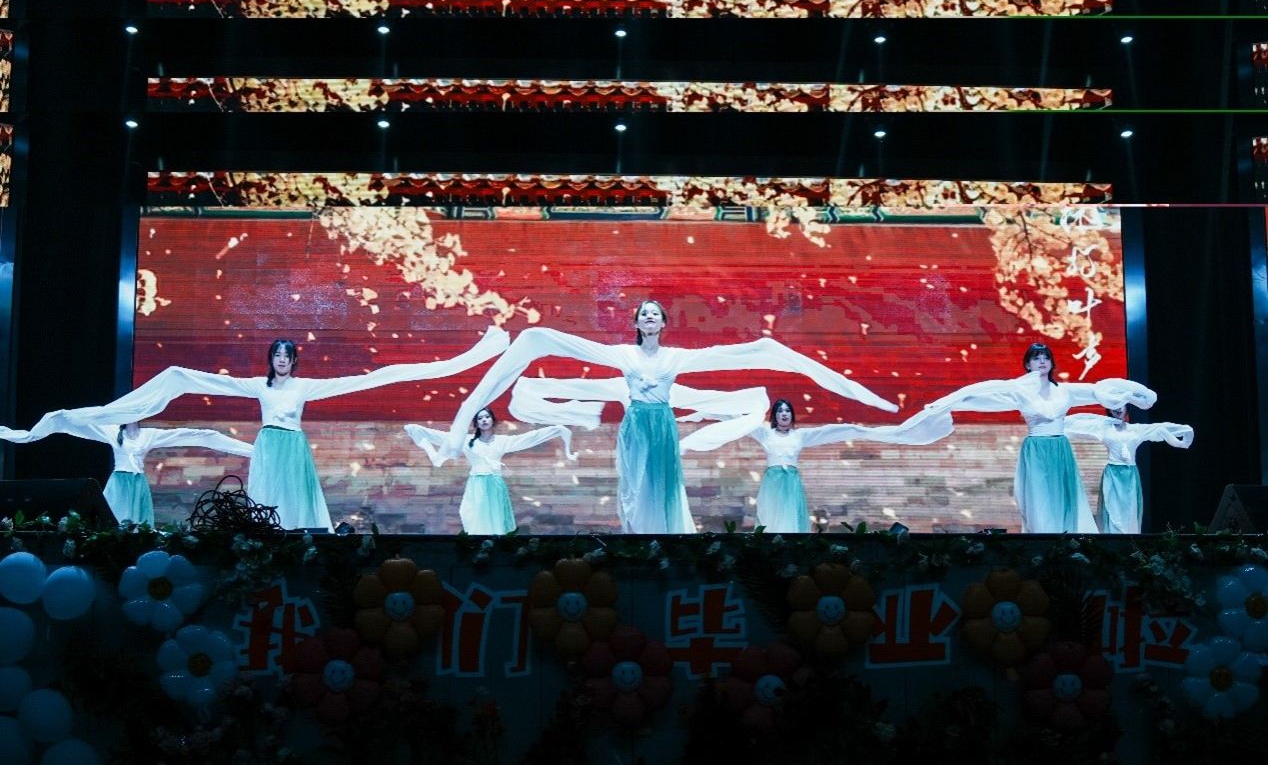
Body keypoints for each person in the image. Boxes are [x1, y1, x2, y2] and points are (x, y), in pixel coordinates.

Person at [439, 301, 899, 534]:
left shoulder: (676, 357)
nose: (650, 319)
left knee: (663, 483)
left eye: (655, 314)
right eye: (644, 314)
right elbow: (554, 341)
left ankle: (666, 536)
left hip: (662, 424)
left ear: (663, 323)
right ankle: (636, 535)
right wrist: (465, 415)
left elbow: (730, 353)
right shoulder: (622, 353)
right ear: (637, 323)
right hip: (636, 425)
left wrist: (769, 350)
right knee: (633, 484)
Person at [8, 327, 508, 530]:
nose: (283, 361)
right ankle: (268, 532)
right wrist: (178, 376)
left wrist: (444, 364)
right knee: (266, 495)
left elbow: (368, 378)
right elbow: (207, 382)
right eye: (278, 355)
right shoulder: (258, 386)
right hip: (270, 444)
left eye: (288, 356)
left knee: (296, 494)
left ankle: (302, 531)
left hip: (293, 445)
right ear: (271, 360)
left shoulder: (305, 386)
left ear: (295, 360)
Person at [925, 342, 1156, 533]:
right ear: (1028, 364)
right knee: (1039, 500)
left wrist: (1137, 396)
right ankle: (1042, 541)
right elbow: (986, 396)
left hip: (1060, 448)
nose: (1042, 361)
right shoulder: (1020, 390)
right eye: (1036, 358)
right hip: (1036, 449)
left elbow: (1098, 391)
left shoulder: (1064, 391)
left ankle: (1069, 541)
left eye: (1046, 357)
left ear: (1052, 363)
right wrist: (950, 403)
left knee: (1065, 497)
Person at [676, 397, 954, 533]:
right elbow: (735, 419)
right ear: (774, 416)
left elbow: (835, 431)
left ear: (792, 416)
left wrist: (857, 428)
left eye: (787, 411)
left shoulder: (801, 436)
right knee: (770, 518)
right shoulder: (764, 432)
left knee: (791, 519)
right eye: (780, 411)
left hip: (791, 482)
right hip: (773, 481)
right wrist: (704, 410)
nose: (784, 415)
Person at [0, 416, 254, 526]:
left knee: (138, 523)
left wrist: (212, 436)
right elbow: (75, 425)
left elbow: (189, 435)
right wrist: (59, 419)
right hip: (120, 483)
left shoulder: (149, 435)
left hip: (137, 483)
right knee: (115, 520)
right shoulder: (112, 431)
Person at [404, 406, 574, 534]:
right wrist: (417, 430)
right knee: (473, 516)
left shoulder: (502, 441)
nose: (484, 420)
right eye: (480, 418)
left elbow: (528, 438)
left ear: (492, 420)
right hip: (476, 483)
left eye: (487, 417)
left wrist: (555, 430)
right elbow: (441, 437)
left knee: (496, 518)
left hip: (494, 483)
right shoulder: (467, 440)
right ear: (476, 423)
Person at [1064, 406, 1193, 533]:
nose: (1118, 409)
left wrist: (1184, 436)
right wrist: (1057, 425)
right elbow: (1081, 424)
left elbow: (1159, 428)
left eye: (1122, 405)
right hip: (1112, 474)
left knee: (1129, 512)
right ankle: (1111, 539)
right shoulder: (1104, 428)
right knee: (1111, 510)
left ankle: (1128, 540)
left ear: (1127, 408)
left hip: (1130, 475)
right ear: (1109, 409)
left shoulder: (1135, 430)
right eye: (1114, 405)